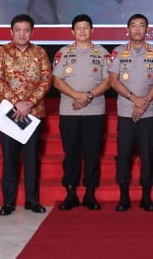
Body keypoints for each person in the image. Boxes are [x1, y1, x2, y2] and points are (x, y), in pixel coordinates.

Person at [0, 14, 51, 216]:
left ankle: (32, 200)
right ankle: (8, 202)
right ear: (11, 32)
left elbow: (46, 80)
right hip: (9, 113)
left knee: (31, 159)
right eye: (18, 30)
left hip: (33, 114)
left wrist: (29, 103)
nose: (22, 34)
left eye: (26, 30)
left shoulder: (40, 52)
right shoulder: (1, 51)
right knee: (10, 159)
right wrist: (16, 102)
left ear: (32, 32)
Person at [52, 14, 111, 211]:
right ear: (72, 31)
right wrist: (77, 96)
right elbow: (57, 81)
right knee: (71, 154)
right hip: (69, 111)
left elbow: (108, 80)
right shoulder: (63, 53)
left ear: (92, 30)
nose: (83, 31)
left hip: (95, 111)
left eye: (86, 27)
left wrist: (88, 96)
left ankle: (90, 194)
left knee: (92, 154)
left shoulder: (102, 53)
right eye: (79, 28)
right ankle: (71, 194)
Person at [108, 14, 153, 211]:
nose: (138, 29)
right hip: (126, 112)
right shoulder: (118, 51)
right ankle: (123, 197)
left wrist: (144, 102)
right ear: (128, 30)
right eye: (134, 25)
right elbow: (113, 81)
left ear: (147, 29)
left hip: (148, 113)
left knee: (147, 156)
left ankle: (146, 198)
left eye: (141, 25)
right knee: (123, 156)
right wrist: (135, 99)